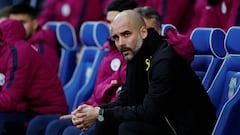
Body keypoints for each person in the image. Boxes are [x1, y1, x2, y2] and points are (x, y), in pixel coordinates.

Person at [70, 10, 216, 135]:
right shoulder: (135, 53)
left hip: (186, 128)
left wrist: (101, 114)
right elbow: (125, 99)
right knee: (105, 122)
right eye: (116, 37)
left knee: (128, 128)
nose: (120, 43)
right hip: (162, 119)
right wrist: (94, 112)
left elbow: (150, 111)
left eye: (126, 34)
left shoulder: (164, 60)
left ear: (143, 32)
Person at [26, 1, 137, 135]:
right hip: (96, 109)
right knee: (47, 125)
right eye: (108, 22)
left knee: (69, 132)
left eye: (115, 22)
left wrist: (96, 112)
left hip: (110, 114)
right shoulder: (107, 51)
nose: (110, 28)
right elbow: (96, 91)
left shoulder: (132, 54)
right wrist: (82, 110)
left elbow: (124, 98)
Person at [0, 19, 68, 135]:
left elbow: (9, 100)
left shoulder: (19, 52)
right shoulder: (6, 52)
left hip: (44, 112)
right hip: (24, 109)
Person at [9, 3, 60, 73]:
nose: (17, 27)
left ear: (35, 24)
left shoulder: (43, 49)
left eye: (22, 22)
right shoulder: (14, 44)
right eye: (13, 23)